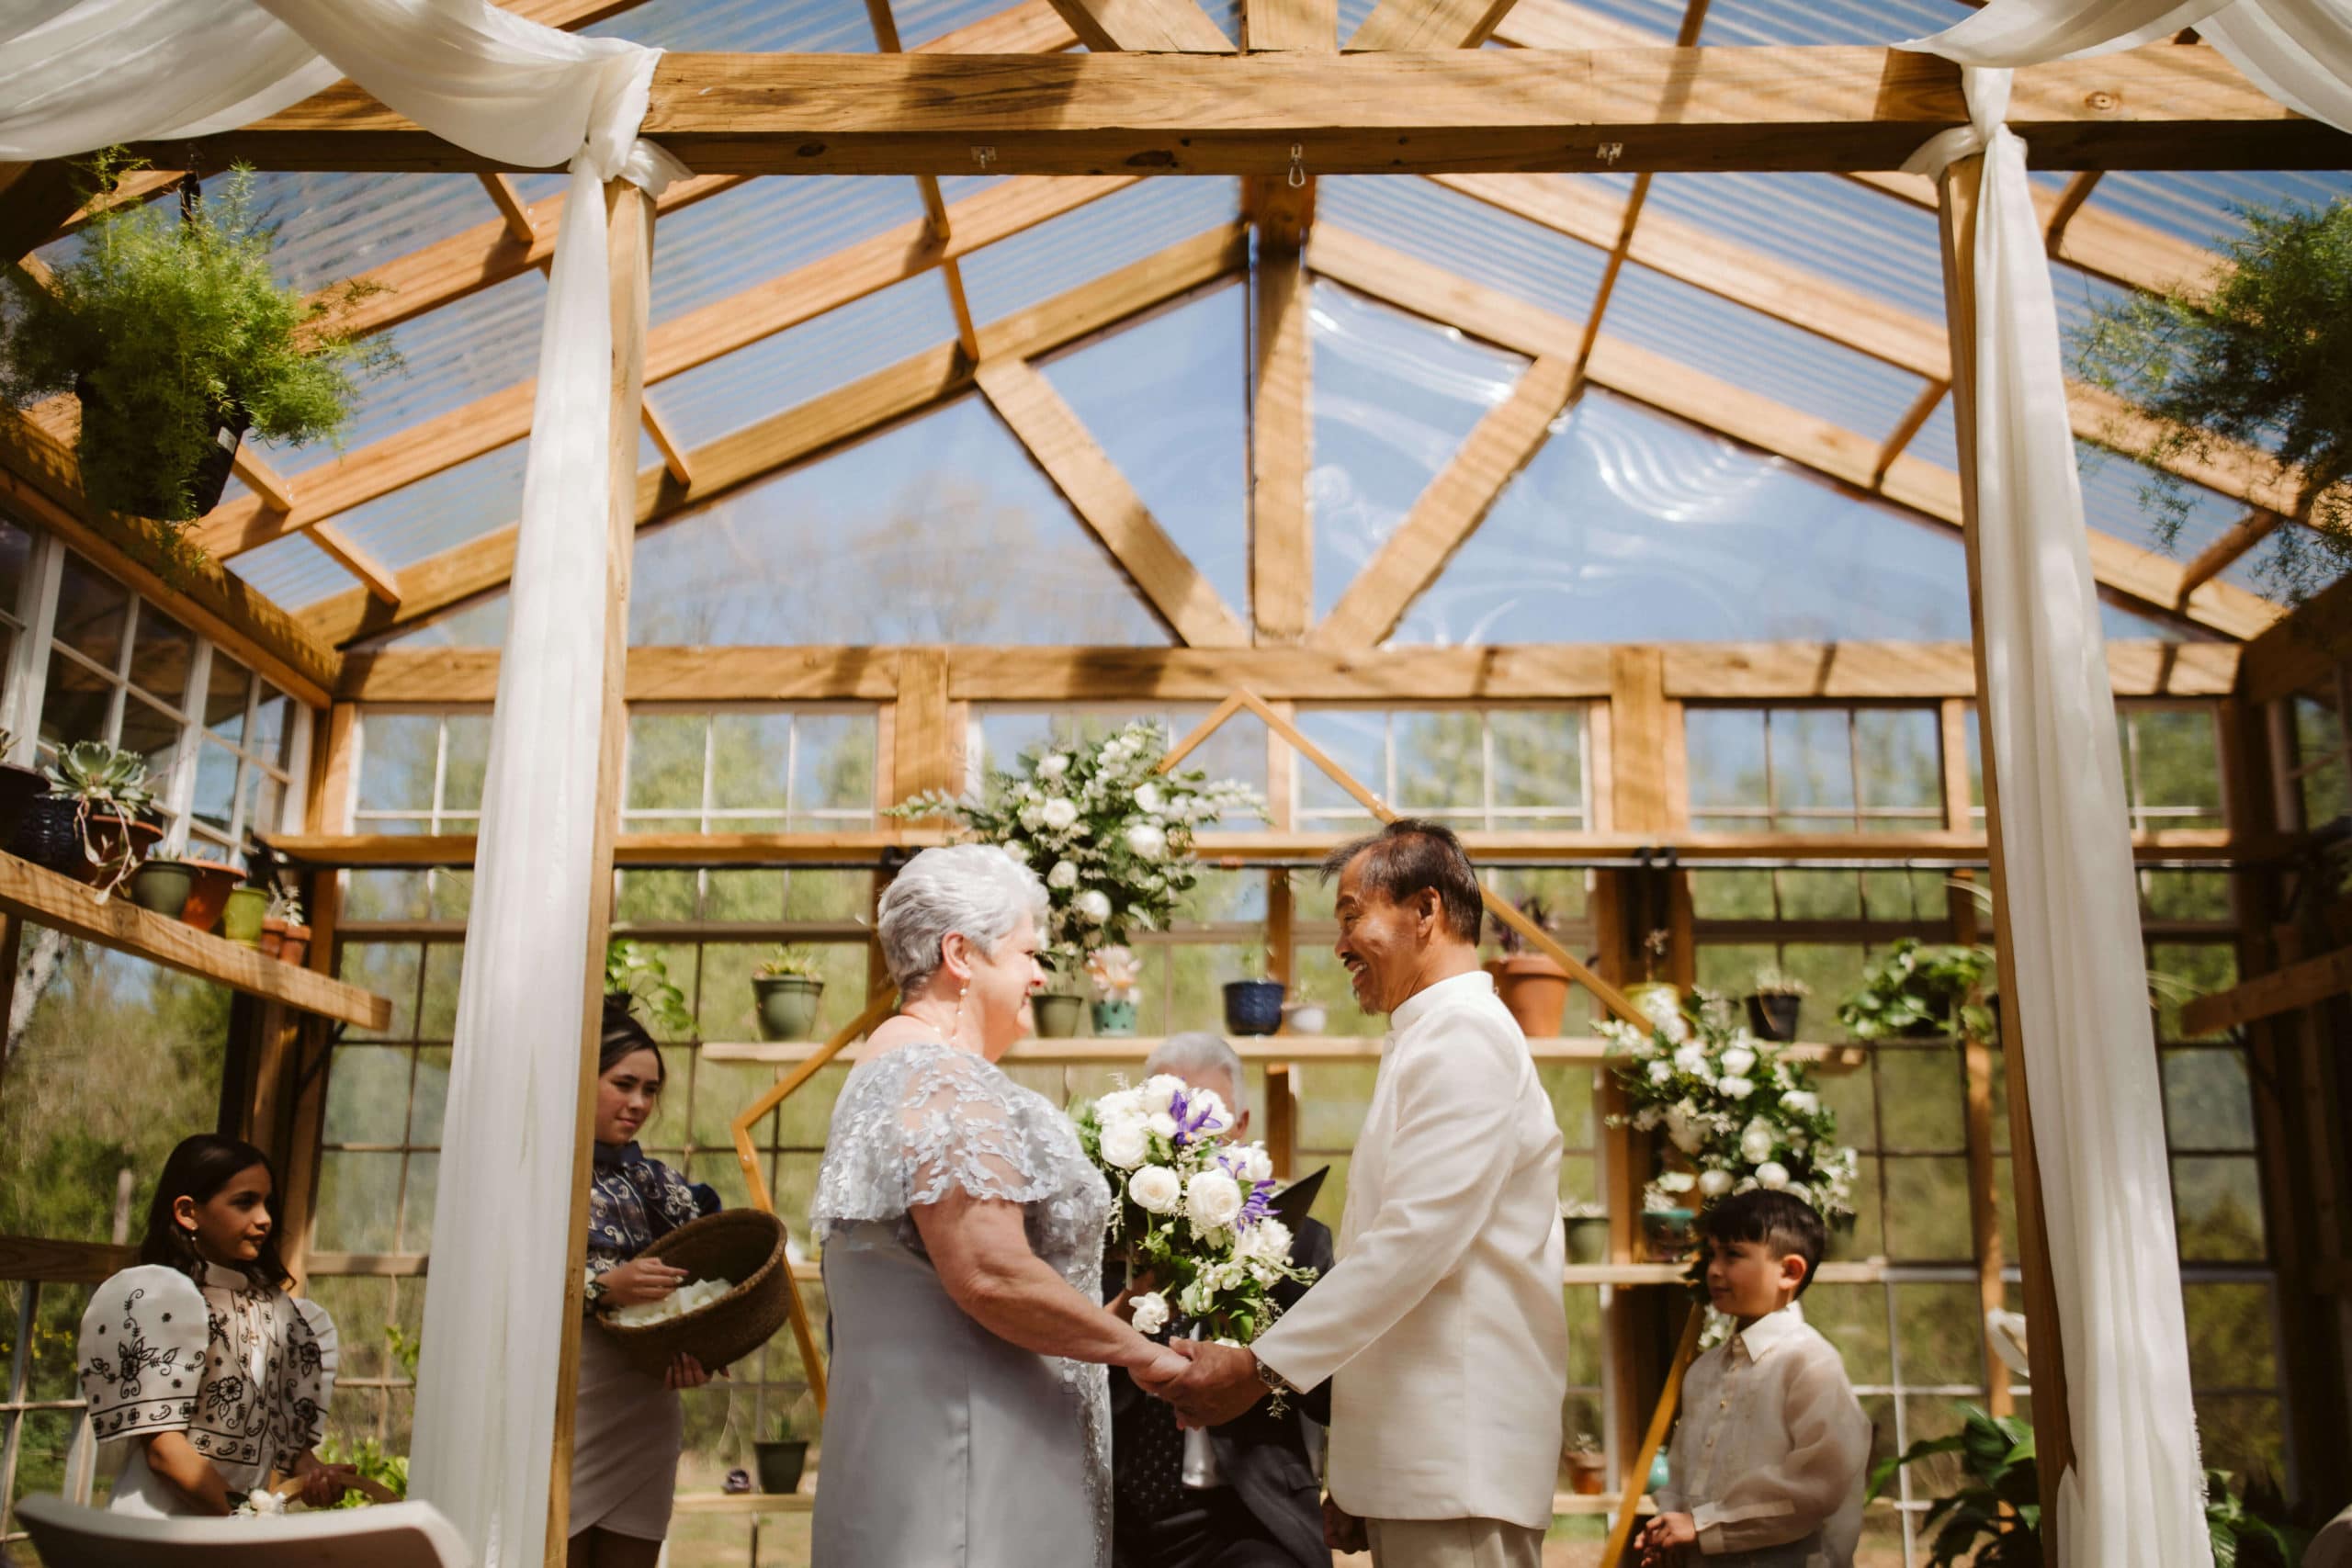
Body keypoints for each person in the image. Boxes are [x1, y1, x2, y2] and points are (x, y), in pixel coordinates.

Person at [1159, 819, 1569, 1568]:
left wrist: (1258, 1369)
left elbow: (1413, 1244)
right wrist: (1359, 1476)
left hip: (1459, 1463)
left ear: (1426, 911)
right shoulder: (1427, 1034)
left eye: (1352, 916)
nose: (1340, 944)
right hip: (1422, 1464)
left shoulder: (1465, 1036)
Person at [808, 843, 1190, 1567]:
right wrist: (1148, 1359)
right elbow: (987, 1271)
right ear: (961, 953)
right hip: (971, 1476)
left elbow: (935, 1281)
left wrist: (1101, 1317)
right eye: (1026, 952)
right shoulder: (942, 1077)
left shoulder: (888, 1062)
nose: (1041, 975)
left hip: (925, 1448)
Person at [1107, 1032, 1336, 1568]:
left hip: (1248, 1511)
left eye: (1208, 1126)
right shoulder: (1109, 1236)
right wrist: (1139, 1289)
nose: (1189, 1143)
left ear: (1243, 1126)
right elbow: (1068, 1374)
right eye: (1171, 1128)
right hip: (1118, 1506)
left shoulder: (1296, 1238)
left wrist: (1258, 1284)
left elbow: (1333, 1395)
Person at [75, 1134, 354, 1516]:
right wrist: (244, 1518)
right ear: (188, 1211)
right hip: (156, 1530)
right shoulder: (153, 1299)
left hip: (235, 1528)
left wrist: (317, 1478)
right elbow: (164, 1453)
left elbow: (291, 1454)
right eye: (244, 1202)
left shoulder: (293, 1320)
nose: (265, 1219)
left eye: (267, 1202)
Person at [1634, 1190, 1871, 1568]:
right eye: (1712, 1253)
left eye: (1733, 1254)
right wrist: (1670, 1528)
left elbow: (1816, 1486)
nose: (1713, 1269)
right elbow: (1678, 1475)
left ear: (1790, 1271)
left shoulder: (1810, 1363)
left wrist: (1702, 1526)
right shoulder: (1705, 1370)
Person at [570, 994, 718, 1568]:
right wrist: (605, 1286)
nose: (638, 1103)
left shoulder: (664, 1187)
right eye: (623, 1083)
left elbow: (706, 1282)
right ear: (584, 1076)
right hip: (566, 1403)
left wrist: (704, 1348)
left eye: (650, 1090)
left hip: (646, 1410)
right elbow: (511, 1291)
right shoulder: (540, 1170)